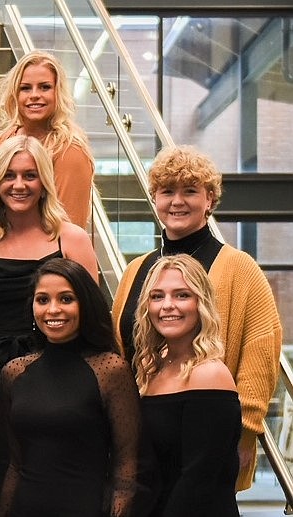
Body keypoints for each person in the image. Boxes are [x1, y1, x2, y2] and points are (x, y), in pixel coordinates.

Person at [112, 145, 282, 490]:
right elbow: (117, 349)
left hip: (205, 440)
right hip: (140, 438)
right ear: (155, 199)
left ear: (209, 200)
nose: (177, 201)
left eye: (190, 191)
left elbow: (261, 350)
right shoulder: (135, 270)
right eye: (167, 191)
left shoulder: (239, 268)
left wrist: (246, 433)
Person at [0, 258, 139, 517]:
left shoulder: (110, 369)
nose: (52, 310)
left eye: (66, 299)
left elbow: (126, 464)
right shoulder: (13, 372)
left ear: (84, 304)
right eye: (42, 300)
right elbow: (15, 465)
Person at [0, 134, 97, 373]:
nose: (19, 185)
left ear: (44, 184)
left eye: (30, 175)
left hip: (58, 368)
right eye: (9, 175)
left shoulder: (73, 239)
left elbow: (92, 319)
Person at [134, 254, 240, 516]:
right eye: (157, 296)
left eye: (181, 295)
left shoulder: (211, 374)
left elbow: (199, 480)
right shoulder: (149, 369)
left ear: (201, 303)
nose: (167, 305)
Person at [0, 50, 94, 228]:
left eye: (44, 87)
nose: (34, 95)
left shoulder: (70, 150)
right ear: (14, 94)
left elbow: (70, 229)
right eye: (25, 88)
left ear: (58, 92)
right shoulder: (5, 140)